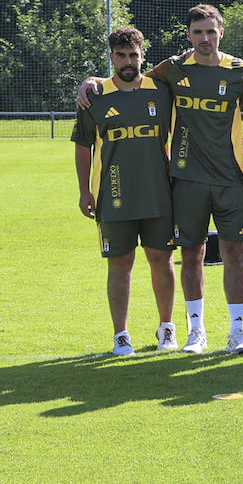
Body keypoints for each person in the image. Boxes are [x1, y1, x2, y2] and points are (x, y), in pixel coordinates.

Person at [80, 4, 243, 354]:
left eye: (211, 31)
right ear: (189, 36)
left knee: (234, 253)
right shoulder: (172, 70)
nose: (205, 38)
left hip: (230, 180)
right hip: (186, 180)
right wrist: (90, 82)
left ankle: (237, 331)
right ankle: (197, 332)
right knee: (191, 255)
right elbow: (129, 76)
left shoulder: (241, 71)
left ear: (221, 32)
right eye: (198, 32)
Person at [73, 27, 177, 355]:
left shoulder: (162, 90)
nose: (128, 62)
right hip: (113, 196)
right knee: (120, 263)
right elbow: (83, 145)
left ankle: (167, 329)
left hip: (160, 194)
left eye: (134, 55)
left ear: (143, 55)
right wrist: (83, 191)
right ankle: (121, 335)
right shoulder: (95, 96)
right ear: (112, 57)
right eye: (121, 56)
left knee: (162, 260)